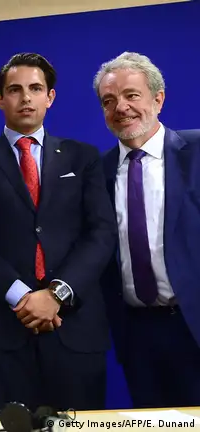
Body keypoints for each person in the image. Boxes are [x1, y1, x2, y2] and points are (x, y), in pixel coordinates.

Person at [0, 53, 117, 411]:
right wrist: (22, 296)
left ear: (50, 97)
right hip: (3, 328)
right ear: (0, 99)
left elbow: (101, 233)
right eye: (15, 90)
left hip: (74, 326)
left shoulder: (82, 157)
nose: (26, 97)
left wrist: (56, 294)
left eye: (35, 88)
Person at [96, 52, 200, 408]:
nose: (120, 107)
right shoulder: (98, 172)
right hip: (137, 334)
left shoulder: (196, 151)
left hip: (192, 323)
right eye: (109, 100)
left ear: (158, 99)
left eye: (131, 95)